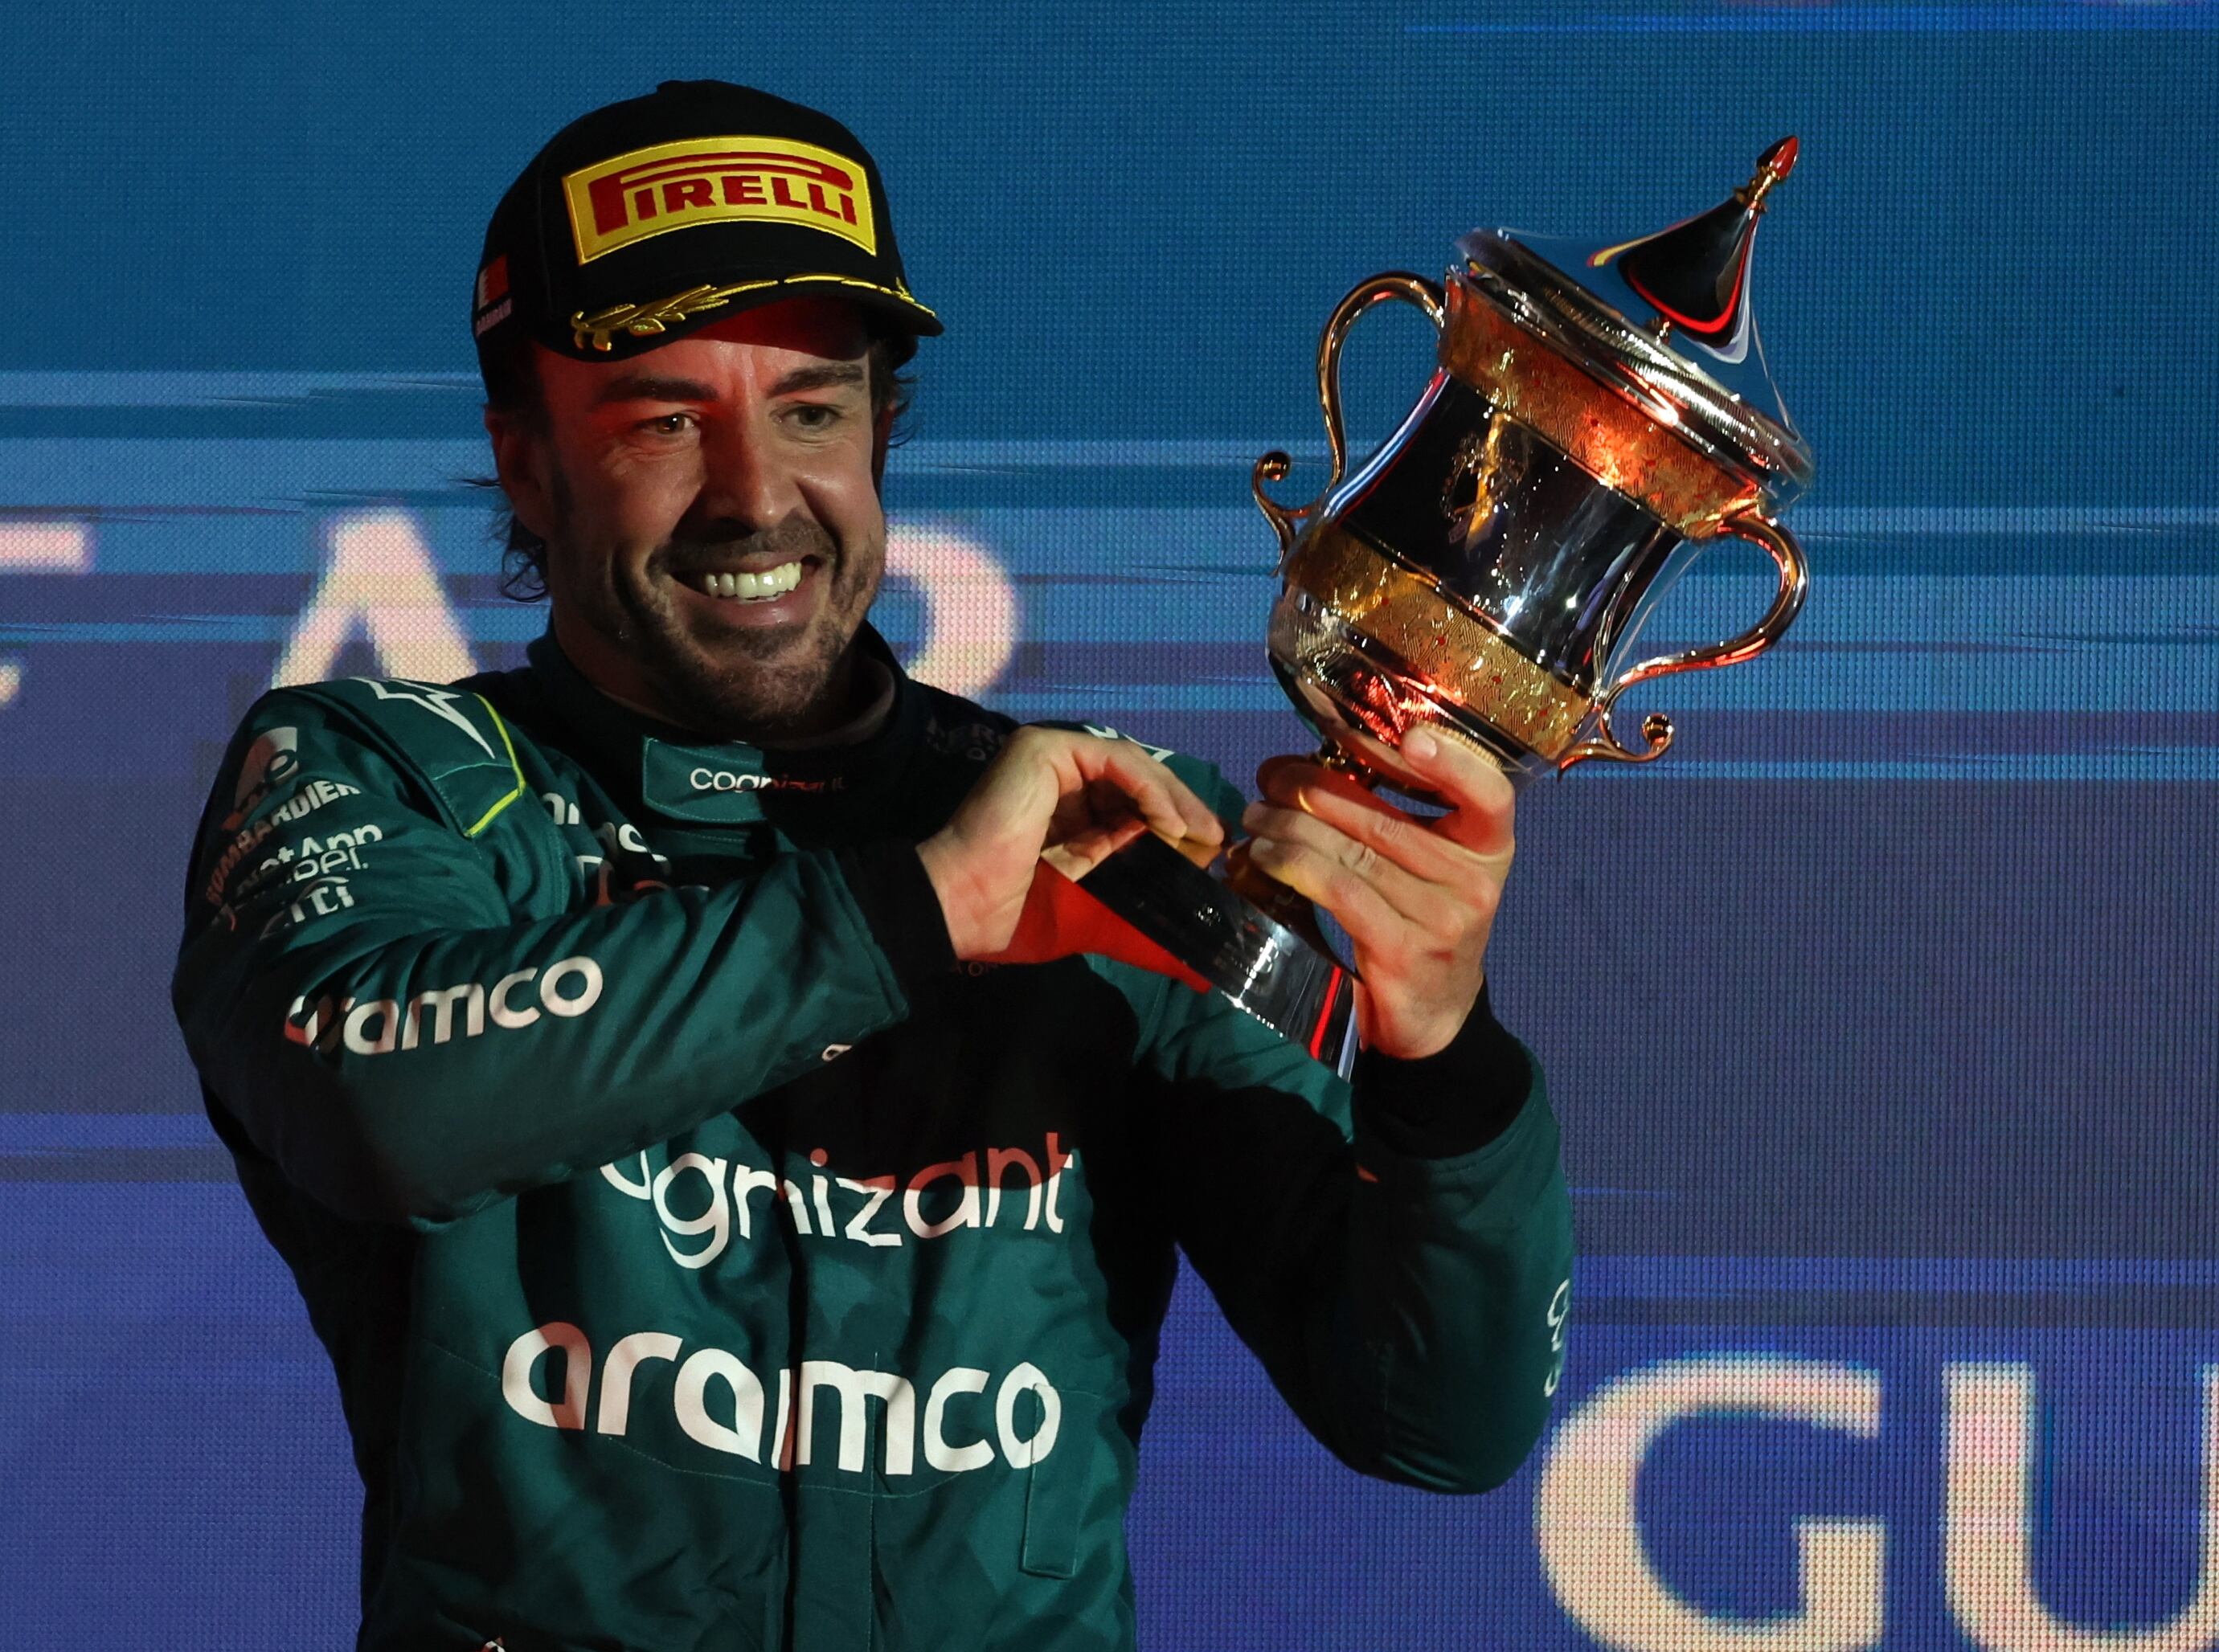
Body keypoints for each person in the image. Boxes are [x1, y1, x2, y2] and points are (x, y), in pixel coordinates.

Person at [172, 80, 1574, 1652]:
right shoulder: (385, 779)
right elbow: (377, 1114)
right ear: (523, 464)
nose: (757, 495)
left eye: (813, 407)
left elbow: (1432, 1417)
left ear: (882, 427)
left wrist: (1440, 1061)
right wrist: (915, 910)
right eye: (660, 418)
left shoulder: (1106, 839)